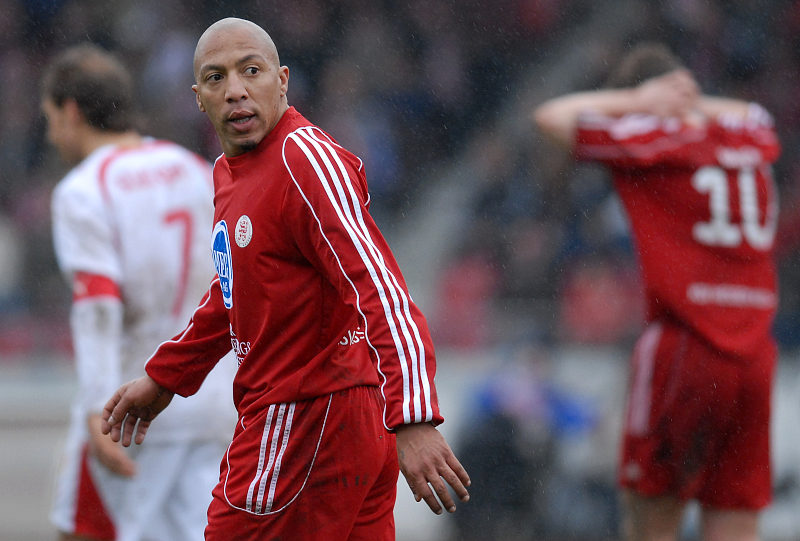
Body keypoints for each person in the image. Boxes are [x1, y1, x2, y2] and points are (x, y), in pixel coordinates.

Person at [100, 17, 471, 541]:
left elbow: (378, 284)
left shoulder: (303, 158)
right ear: (198, 98)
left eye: (251, 70)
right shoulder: (229, 174)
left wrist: (414, 416)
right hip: (337, 421)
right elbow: (235, 294)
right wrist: (166, 378)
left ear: (283, 80)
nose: (235, 90)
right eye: (216, 77)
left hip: (304, 418)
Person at [533, 43, 780, 541]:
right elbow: (757, 113)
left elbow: (550, 116)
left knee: (651, 523)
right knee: (734, 521)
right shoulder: (749, 136)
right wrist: (693, 100)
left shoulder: (652, 137)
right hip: (755, 356)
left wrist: (635, 102)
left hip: (685, 346)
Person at [42, 43, 237, 541]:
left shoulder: (84, 190)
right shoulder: (198, 171)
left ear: (71, 112)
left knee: (81, 532)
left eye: (50, 118)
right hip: (213, 401)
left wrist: (95, 406)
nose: (50, 133)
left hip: (130, 407)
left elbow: (98, 308)